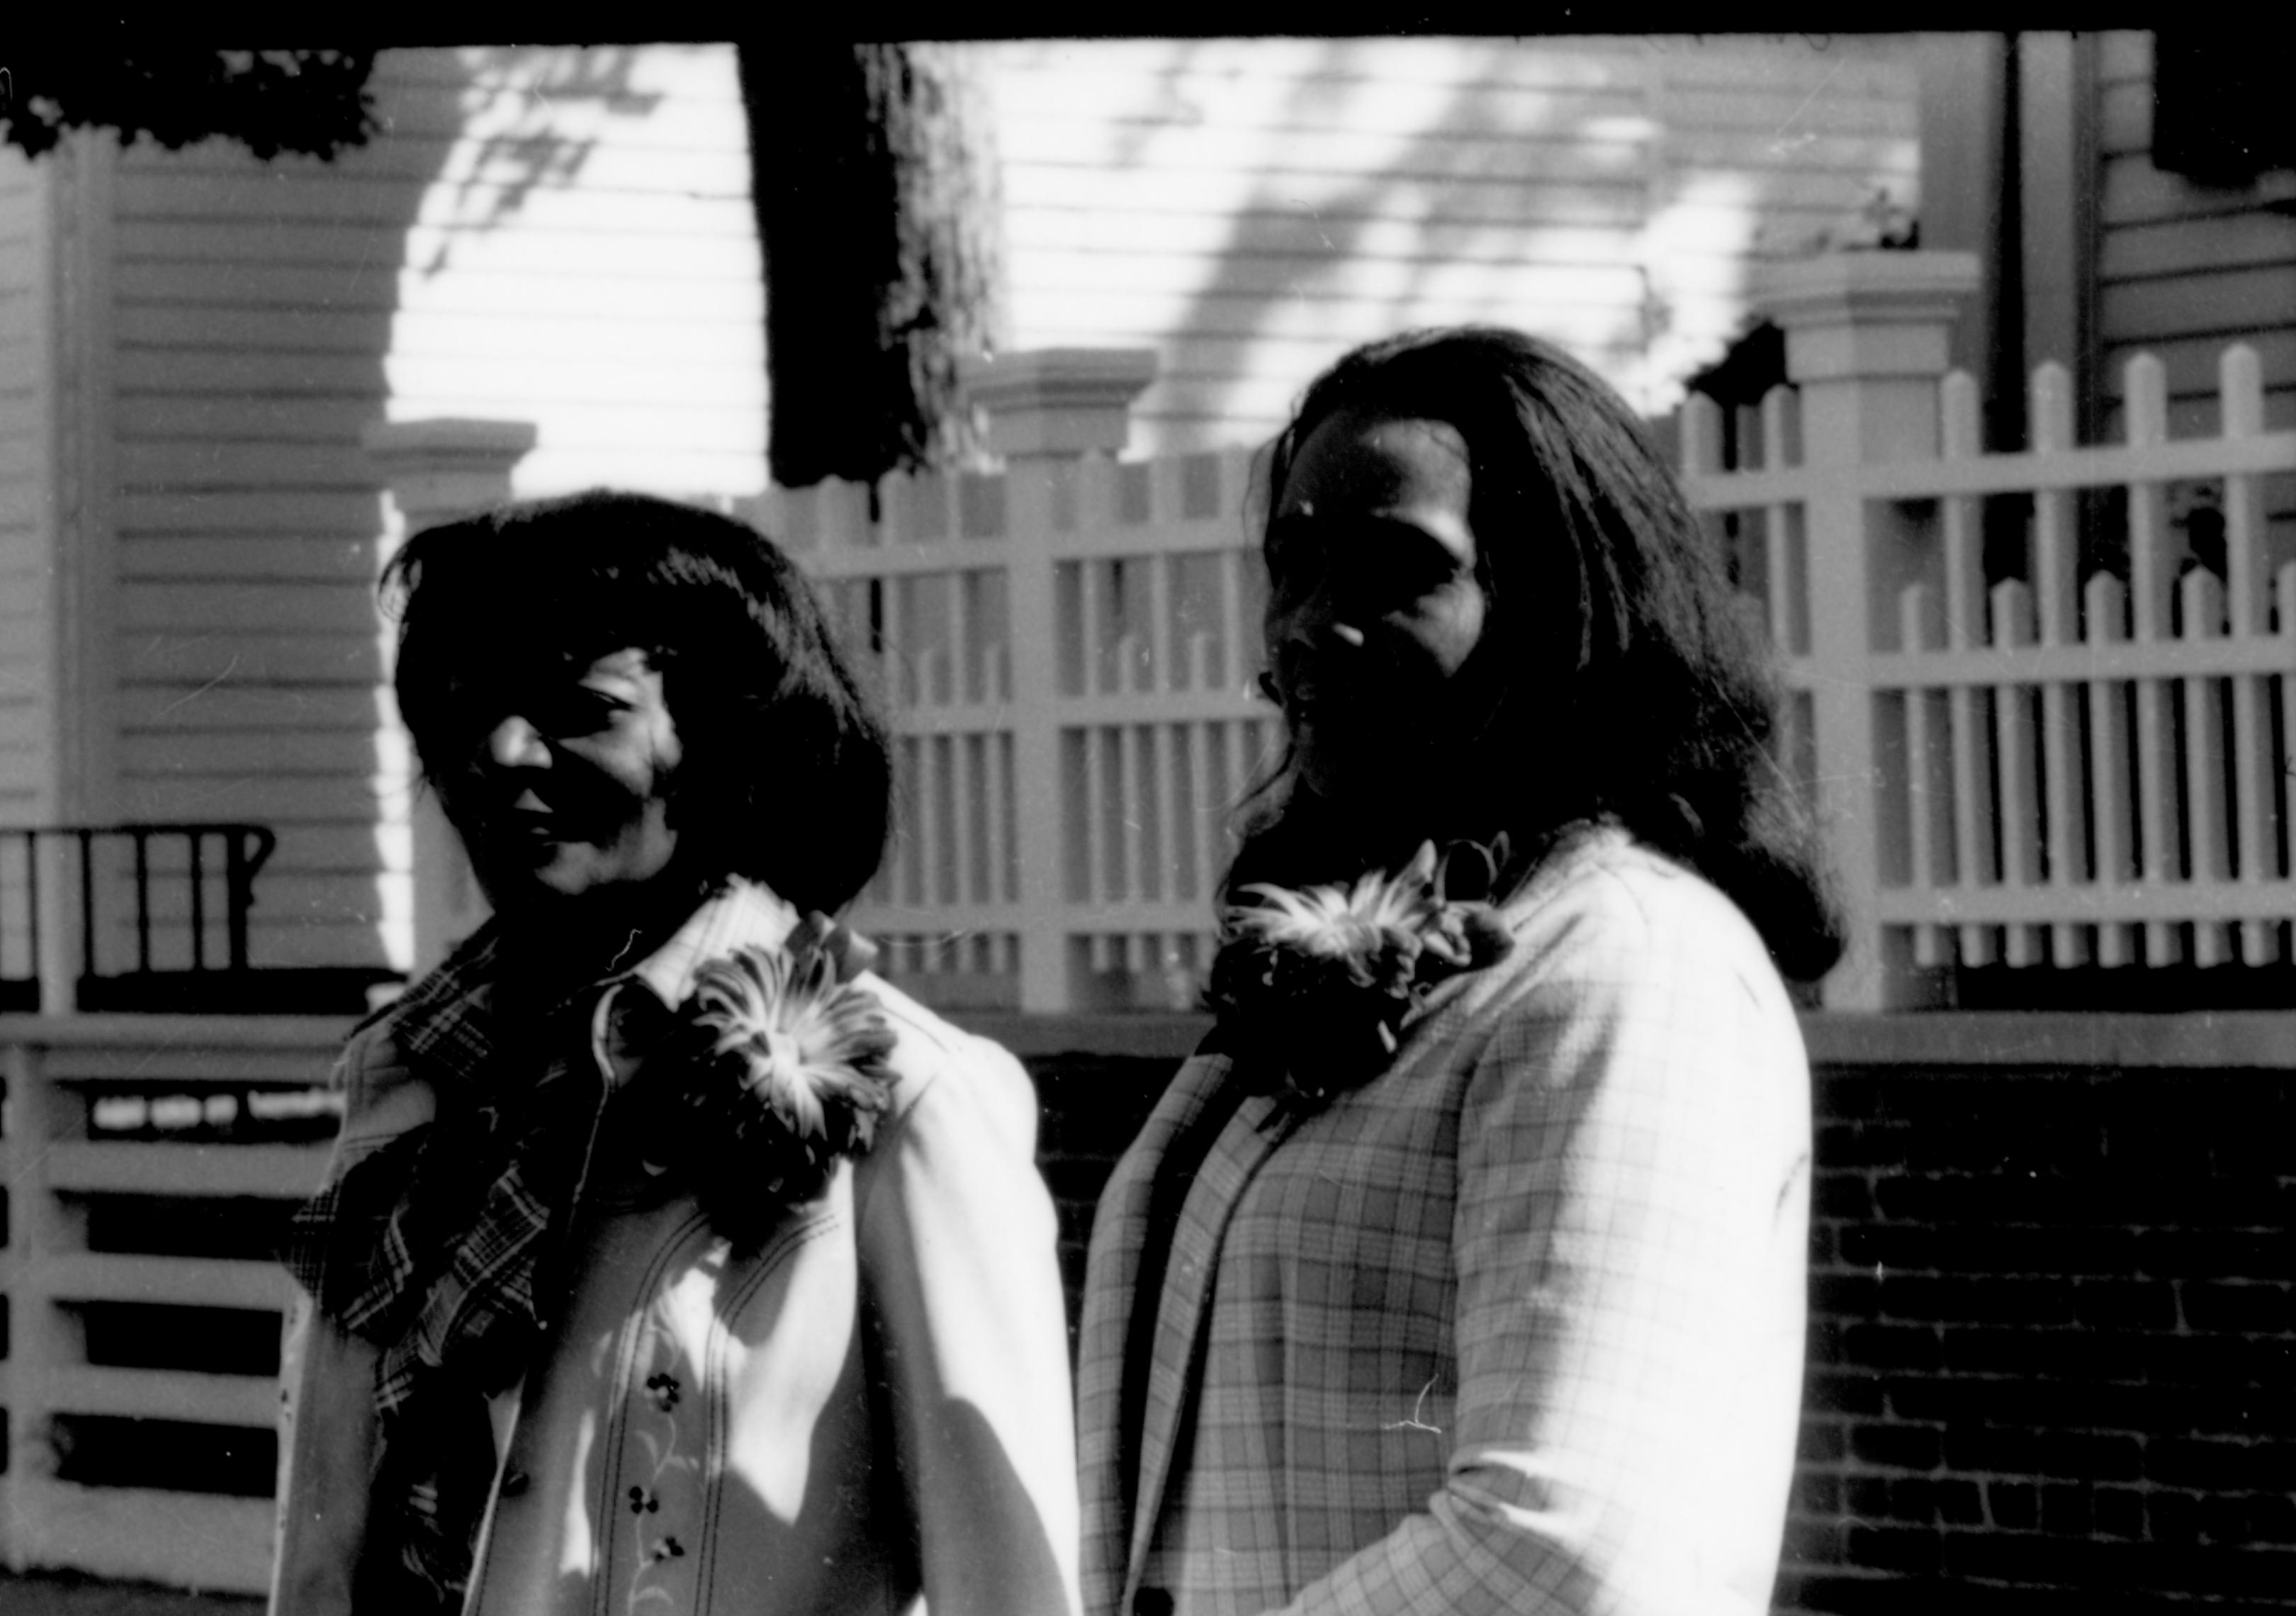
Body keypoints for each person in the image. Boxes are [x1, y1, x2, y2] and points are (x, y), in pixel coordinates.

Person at [1076, 327, 1840, 1616]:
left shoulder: (1627, 970)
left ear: (1559, 607)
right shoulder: (1389, 930)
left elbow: (1570, 1543)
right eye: (1295, 563)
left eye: (1395, 570)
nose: (1313, 623)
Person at [271, 491, 1081, 1616]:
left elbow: (1013, 1595)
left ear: (722, 740)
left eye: (577, 707)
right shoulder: (416, 1092)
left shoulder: (907, 1103)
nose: (504, 750)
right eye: (466, 704)